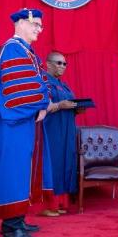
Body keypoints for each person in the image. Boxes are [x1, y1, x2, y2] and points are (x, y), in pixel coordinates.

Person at [0, 8, 51, 237]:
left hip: (24, 121)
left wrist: (44, 101)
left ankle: (18, 219)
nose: (39, 29)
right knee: (13, 172)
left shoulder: (27, 51)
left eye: (40, 26)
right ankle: (11, 227)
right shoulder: (12, 49)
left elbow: (42, 83)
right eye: (35, 25)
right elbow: (20, 90)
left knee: (23, 171)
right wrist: (42, 103)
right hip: (14, 122)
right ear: (20, 23)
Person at [41, 51, 79, 216]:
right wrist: (59, 106)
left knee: (66, 162)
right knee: (53, 164)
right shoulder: (43, 82)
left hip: (67, 130)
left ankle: (62, 203)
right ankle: (49, 205)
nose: (62, 66)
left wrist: (78, 109)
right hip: (52, 130)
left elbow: (69, 105)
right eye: (58, 63)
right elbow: (42, 107)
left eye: (64, 63)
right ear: (48, 64)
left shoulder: (64, 85)